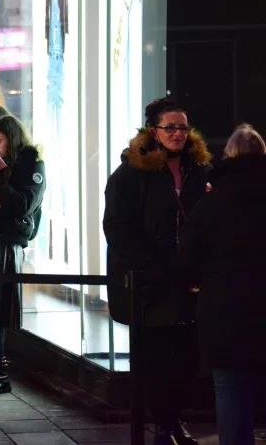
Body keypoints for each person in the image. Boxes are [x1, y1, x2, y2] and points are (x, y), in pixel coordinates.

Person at [103, 97, 210, 445]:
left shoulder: (199, 168)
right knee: (158, 360)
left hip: (188, 280)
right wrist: (155, 265)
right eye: (171, 127)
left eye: (183, 127)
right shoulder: (131, 173)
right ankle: (163, 427)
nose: (178, 134)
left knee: (186, 359)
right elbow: (118, 228)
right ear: (154, 131)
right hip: (151, 284)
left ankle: (173, 422)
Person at [178, 124, 266, 445]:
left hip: (224, 311)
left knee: (230, 390)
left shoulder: (213, 202)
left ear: (228, 154)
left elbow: (186, 255)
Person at [0, 114, 45, 395]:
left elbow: (23, 204)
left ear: (12, 141)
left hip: (7, 240)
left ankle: (0, 371)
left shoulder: (31, 164)